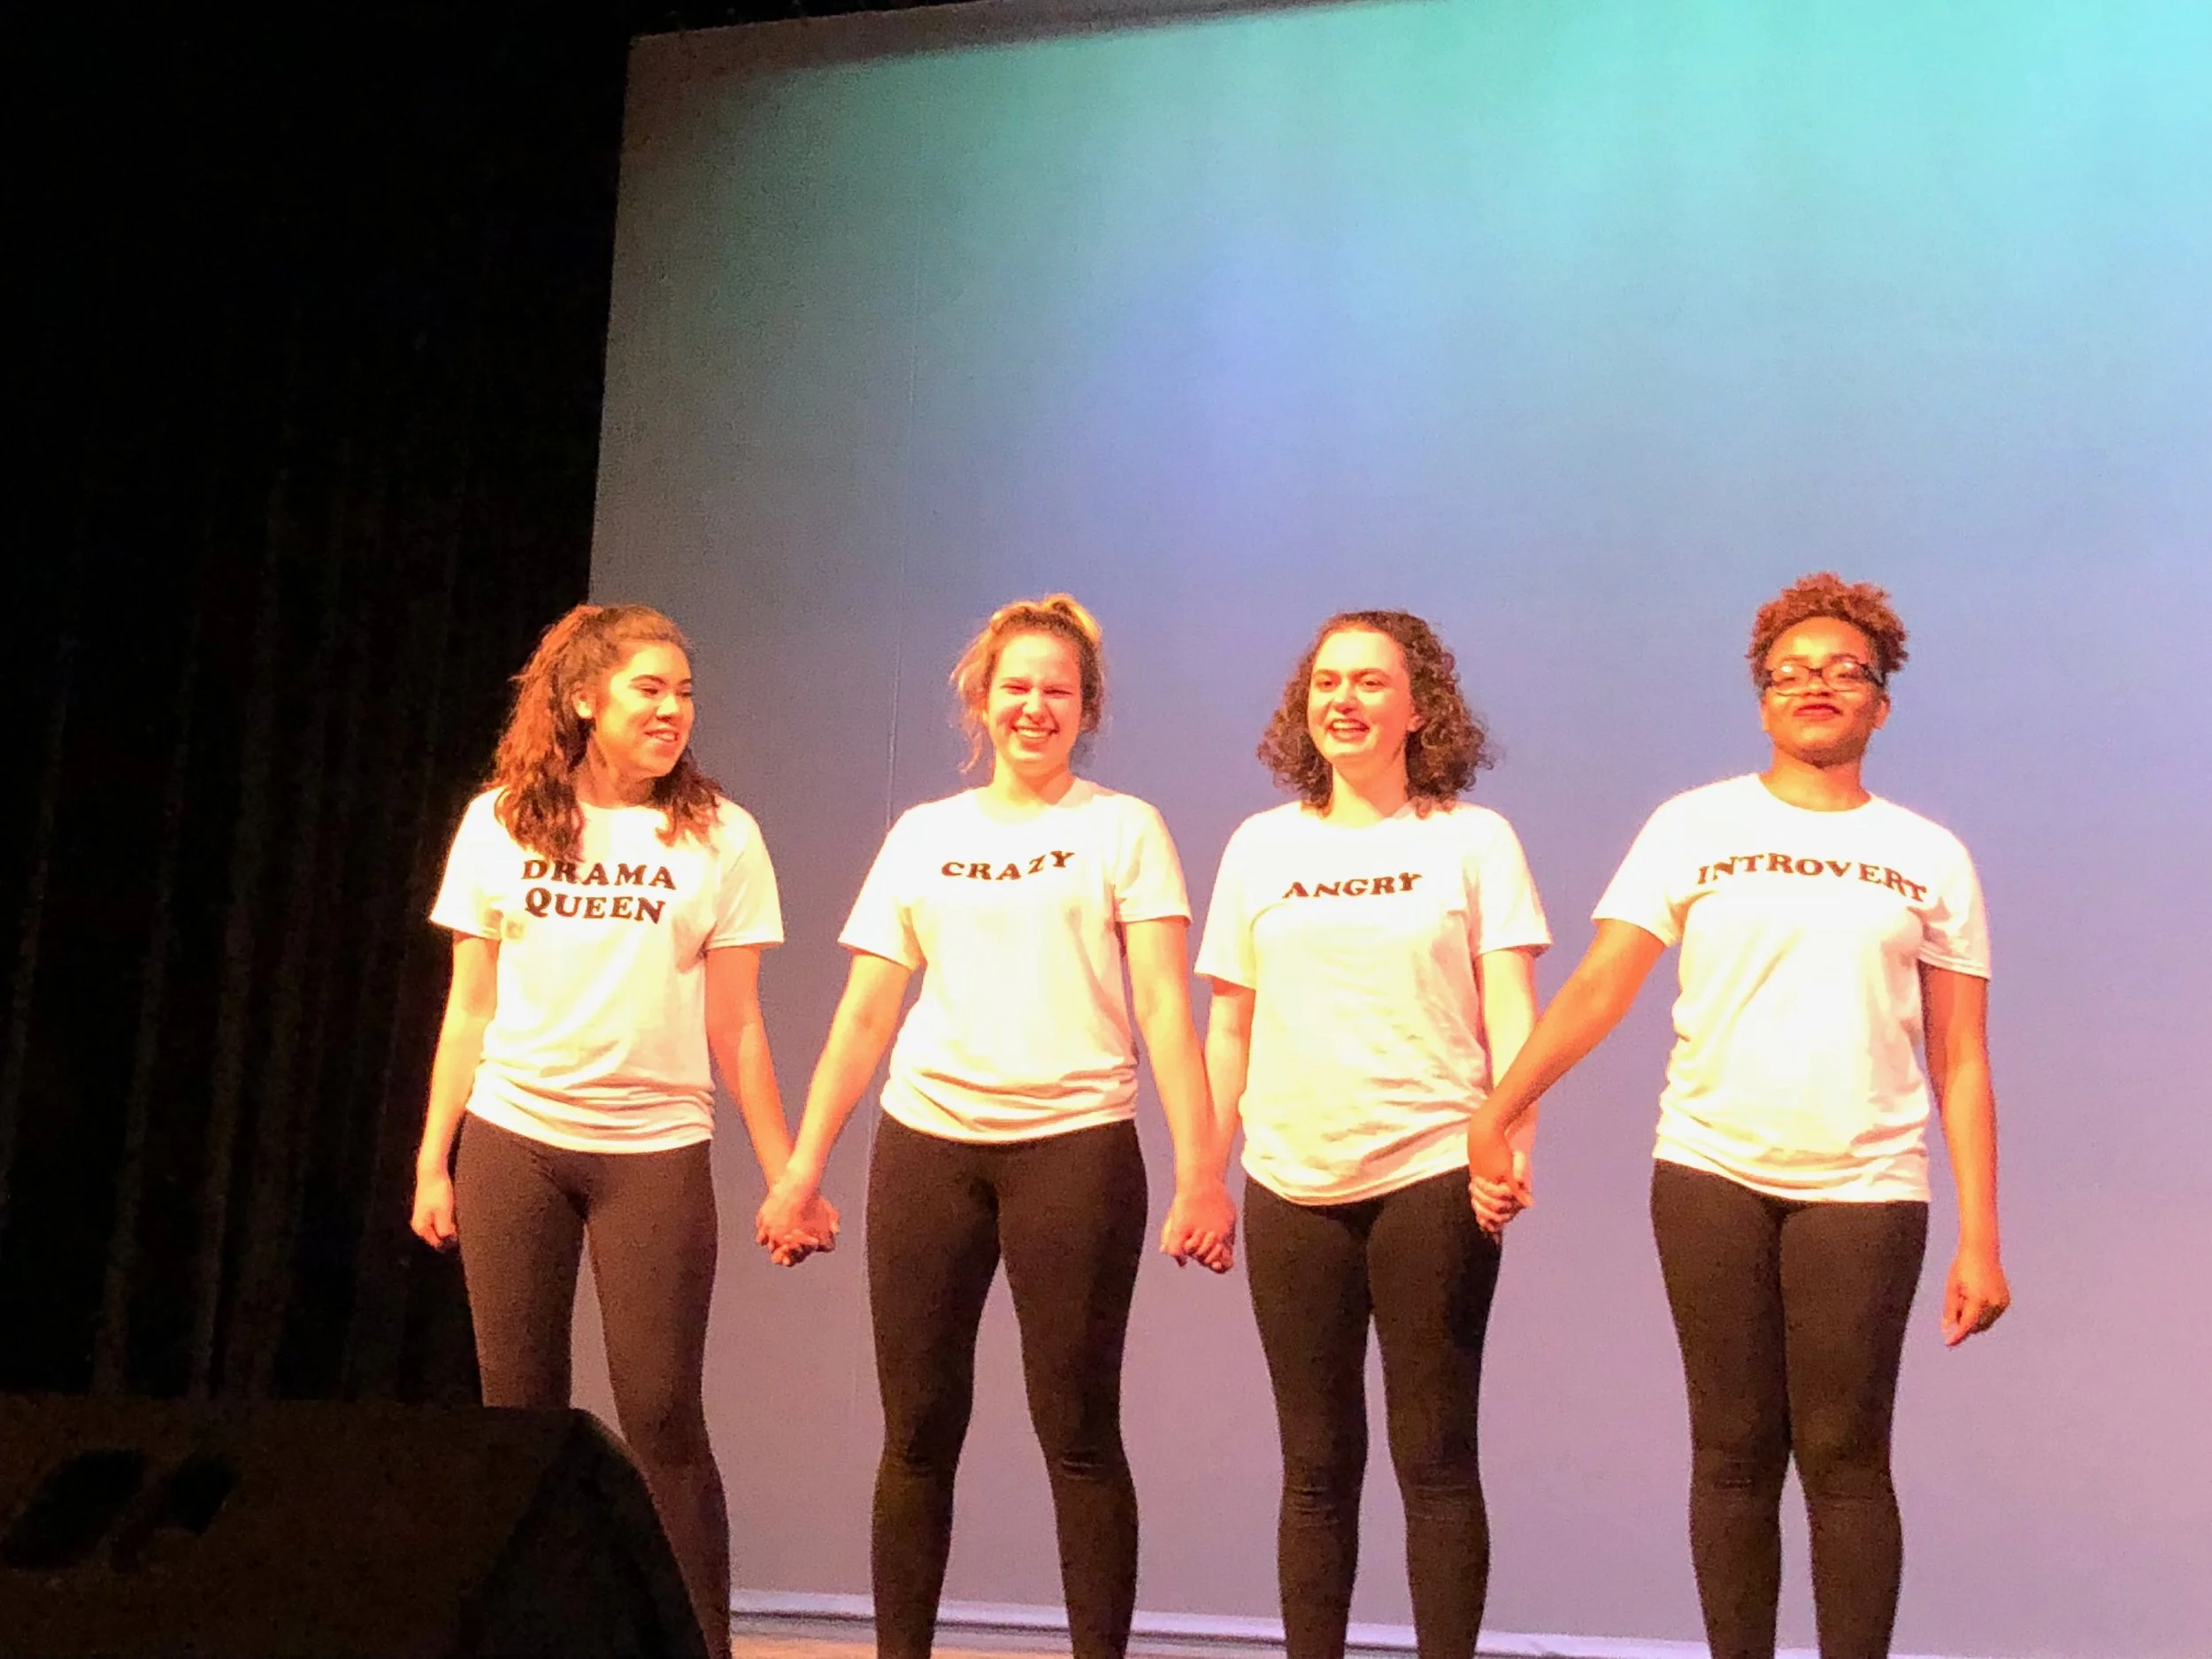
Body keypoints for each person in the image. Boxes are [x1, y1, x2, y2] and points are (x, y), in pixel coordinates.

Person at [1465, 572, 2010, 1659]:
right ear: (1763, 701)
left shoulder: (1929, 856)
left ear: (1880, 704)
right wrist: (1500, 1108)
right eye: (1790, 671)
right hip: (1709, 1172)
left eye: (1843, 671)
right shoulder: (1694, 825)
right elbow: (1599, 986)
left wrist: (1981, 1239)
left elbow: (1959, 1057)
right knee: (1731, 1453)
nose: (1815, 685)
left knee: (1845, 1458)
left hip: (1865, 1185)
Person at [756, 595, 1233, 1659]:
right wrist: (801, 1169)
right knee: (917, 1434)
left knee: (1078, 1429)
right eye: (1015, 686)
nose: (1034, 706)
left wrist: (1201, 1173)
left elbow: (1165, 1007)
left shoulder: (1122, 829)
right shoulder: (924, 835)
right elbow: (866, 1012)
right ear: (980, 698)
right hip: (927, 1145)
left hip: (1076, 1146)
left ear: (1087, 708)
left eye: (1057, 691)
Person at [411, 603, 834, 1657]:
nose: (672, 709)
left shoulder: (720, 836)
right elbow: (469, 1008)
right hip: (514, 1138)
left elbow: (738, 1026)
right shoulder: (499, 822)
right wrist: (432, 1161)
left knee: (661, 1416)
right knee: (518, 1423)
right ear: (582, 699)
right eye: (650, 688)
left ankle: (699, 1647)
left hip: (652, 1152)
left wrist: (785, 1174)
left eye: (684, 692)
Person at [1194, 611, 1549, 1659]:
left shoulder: (1472, 840)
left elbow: (1513, 1012)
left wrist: (1510, 1144)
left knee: (1434, 1456)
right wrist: (1203, 1176)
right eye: (1326, 682)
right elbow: (1228, 1025)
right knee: (1314, 1465)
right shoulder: (1261, 846)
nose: (1342, 699)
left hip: (1434, 1171)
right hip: (1289, 1178)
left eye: (1369, 681)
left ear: (1419, 707)